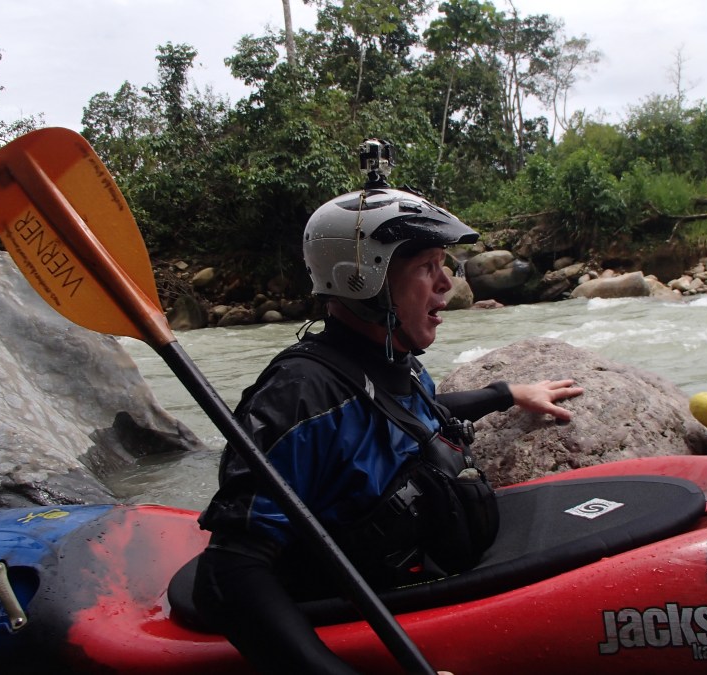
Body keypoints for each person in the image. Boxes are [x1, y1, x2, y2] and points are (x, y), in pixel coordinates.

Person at [193, 184, 584, 674]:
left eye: (443, 264)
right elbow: (228, 573)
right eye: (426, 266)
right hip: (345, 610)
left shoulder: (393, 363)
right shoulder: (299, 398)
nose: (446, 284)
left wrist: (506, 393)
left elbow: (412, 418)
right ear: (364, 280)